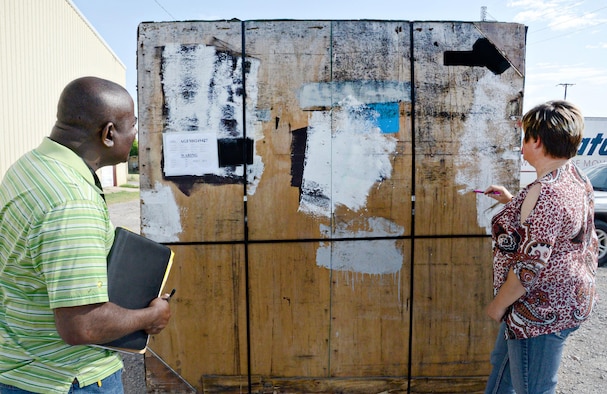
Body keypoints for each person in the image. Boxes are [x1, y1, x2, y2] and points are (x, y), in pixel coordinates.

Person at [0, 77, 172, 393]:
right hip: (67, 379)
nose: (136, 134)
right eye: (132, 126)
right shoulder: (71, 200)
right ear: (108, 133)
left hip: (18, 366)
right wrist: (150, 316)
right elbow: (83, 325)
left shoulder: (30, 166)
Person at [481, 100, 598, 393]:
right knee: (504, 367)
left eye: (525, 137)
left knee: (534, 387)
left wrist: (498, 306)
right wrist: (513, 201)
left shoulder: (545, 193)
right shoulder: (575, 176)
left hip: (540, 310)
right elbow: (556, 227)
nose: (522, 144)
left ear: (537, 141)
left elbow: (528, 267)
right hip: (569, 299)